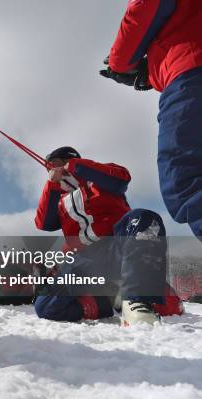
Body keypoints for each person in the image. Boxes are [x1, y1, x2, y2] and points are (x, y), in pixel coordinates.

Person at [34, 146, 174, 326]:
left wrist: (76, 166)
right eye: (49, 168)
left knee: (143, 218)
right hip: (82, 261)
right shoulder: (59, 199)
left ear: (70, 160)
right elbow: (44, 223)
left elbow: (121, 179)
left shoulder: (97, 178)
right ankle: (109, 301)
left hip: (116, 247)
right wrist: (52, 184)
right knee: (46, 307)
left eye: (57, 164)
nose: (53, 170)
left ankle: (137, 301)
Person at [100, 0, 202, 238]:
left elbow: (147, 5)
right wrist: (152, 73)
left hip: (191, 71)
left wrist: (120, 64)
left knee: (186, 177)